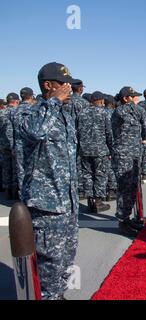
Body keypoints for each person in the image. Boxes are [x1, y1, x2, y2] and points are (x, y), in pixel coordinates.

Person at [16, 62, 80, 300]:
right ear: (48, 85)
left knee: (66, 257)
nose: (69, 89)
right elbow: (36, 132)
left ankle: (57, 295)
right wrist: (53, 102)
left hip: (67, 201)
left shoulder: (63, 113)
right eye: (64, 84)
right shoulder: (28, 112)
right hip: (46, 203)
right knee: (49, 261)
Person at [112, 87, 146, 237]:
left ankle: (127, 218)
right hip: (123, 155)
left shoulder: (127, 110)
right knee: (124, 188)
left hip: (133, 154)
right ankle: (123, 220)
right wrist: (144, 137)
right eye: (134, 97)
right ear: (126, 98)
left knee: (132, 187)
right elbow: (144, 125)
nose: (137, 99)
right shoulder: (124, 111)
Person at [77, 91, 113, 213]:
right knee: (100, 175)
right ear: (101, 100)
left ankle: (90, 200)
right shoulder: (104, 113)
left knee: (87, 175)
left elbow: (76, 132)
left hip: (84, 150)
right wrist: (111, 149)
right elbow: (109, 133)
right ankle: (98, 201)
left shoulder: (81, 113)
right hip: (100, 150)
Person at [0, 92, 20, 200]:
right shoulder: (17, 112)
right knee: (15, 167)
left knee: (6, 167)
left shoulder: (1, 113)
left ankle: (7, 189)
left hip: (3, 143)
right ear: (16, 100)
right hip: (15, 143)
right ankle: (15, 190)